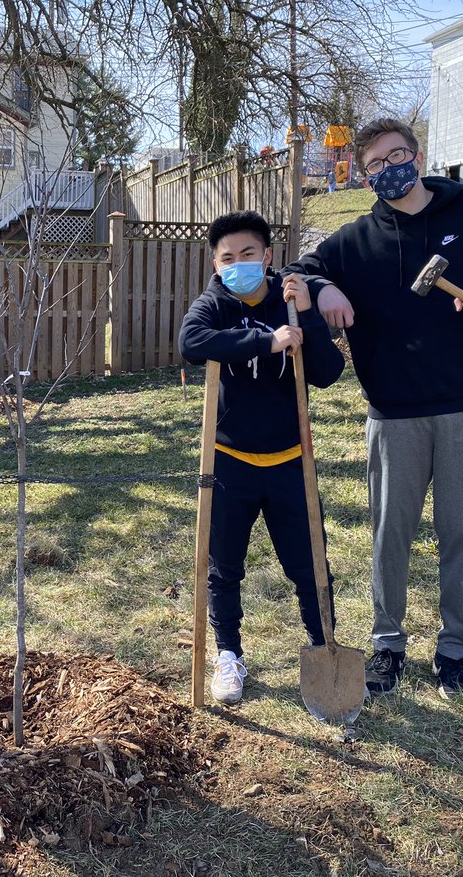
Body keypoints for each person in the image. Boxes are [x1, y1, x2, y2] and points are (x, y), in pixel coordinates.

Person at [283, 117, 463, 699]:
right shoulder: (356, 239)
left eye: (397, 156)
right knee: (389, 534)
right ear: (365, 173)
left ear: (417, 157)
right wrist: (325, 289)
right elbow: (298, 272)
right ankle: (388, 646)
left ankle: (454, 653)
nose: (388, 168)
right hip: (393, 413)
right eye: (375, 163)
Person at [179, 211, 345, 705]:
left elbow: (328, 372)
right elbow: (192, 342)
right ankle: (229, 654)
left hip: (291, 459)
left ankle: (324, 648)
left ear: (267, 255)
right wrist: (265, 341)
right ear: (216, 262)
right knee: (223, 567)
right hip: (230, 461)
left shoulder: (290, 299)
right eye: (227, 258)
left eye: (248, 254)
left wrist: (307, 318)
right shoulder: (214, 303)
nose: (238, 264)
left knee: (310, 565)